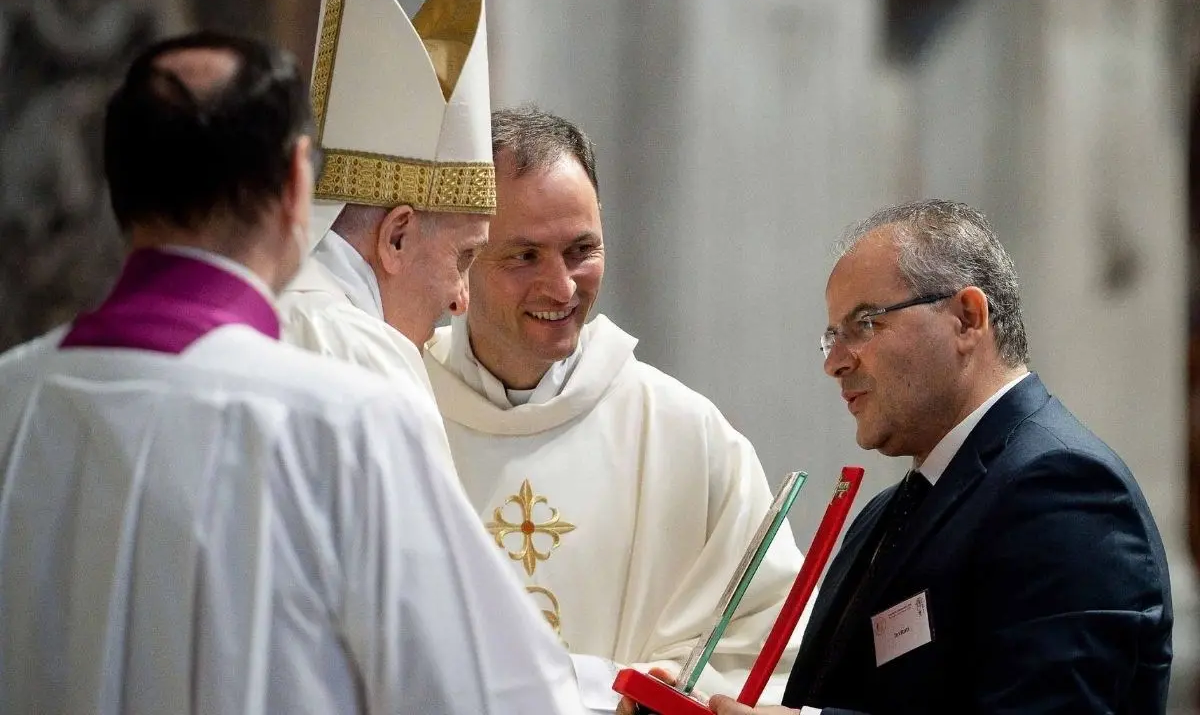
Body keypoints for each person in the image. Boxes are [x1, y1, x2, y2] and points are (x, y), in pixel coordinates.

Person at [0, 32, 585, 714]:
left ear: (118, 187)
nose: (461, 300)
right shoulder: (343, 425)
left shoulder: (12, 394)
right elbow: (497, 697)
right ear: (296, 185)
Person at [707, 199, 1172, 714]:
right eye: (831, 337)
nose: (835, 363)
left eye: (864, 324)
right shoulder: (884, 514)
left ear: (967, 318)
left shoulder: (1063, 487)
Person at [423, 104, 807, 709]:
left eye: (581, 250)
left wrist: (667, 692)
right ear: (465, 258)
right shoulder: (399, 412)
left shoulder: (687, 434)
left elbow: (770, 642)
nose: (562, 286)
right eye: (524, 257)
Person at [278, 0, 495, 397]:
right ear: (397, 236)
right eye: (463, 257)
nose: (461, 301)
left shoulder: (247, 313)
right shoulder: (373, 361)